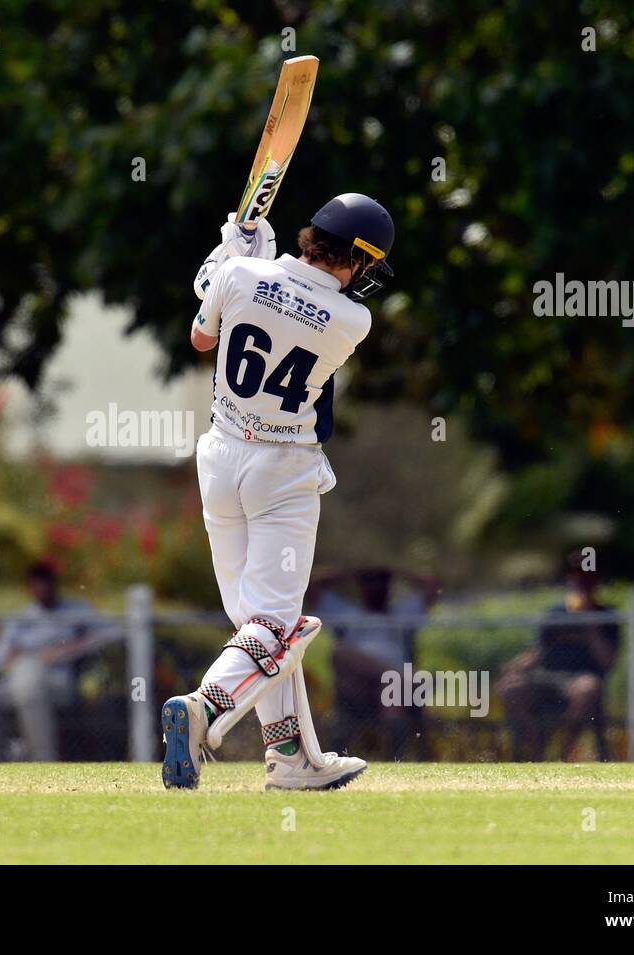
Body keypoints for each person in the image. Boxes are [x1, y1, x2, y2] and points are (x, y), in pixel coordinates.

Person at [161, 193, 396, 790]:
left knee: (257, 626)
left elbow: (200, 336)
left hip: (219, 459)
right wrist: (241, 263)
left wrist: (227, 255)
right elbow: (295, 308)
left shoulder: (241, 274)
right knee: (275, 624)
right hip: (283, 468)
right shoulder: (352, 321)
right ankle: (203, 709)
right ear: (358, 258)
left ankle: (290, 760)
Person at [0, 562, 97, 761]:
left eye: (46, 582)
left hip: (56, 681)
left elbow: (106, 635)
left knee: (29, 679)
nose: (43, 588)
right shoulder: (22, 618)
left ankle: (44, 763)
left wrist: (61, 651)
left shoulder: (77, 609)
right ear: (30, 587)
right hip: (14, 680)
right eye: (37, 583)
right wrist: (17, 657)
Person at [497, 553, 620, 761]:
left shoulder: (606, 614)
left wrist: (590, 623)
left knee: (588, 688)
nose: (583, 583)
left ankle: (562, 754)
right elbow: (538, 651)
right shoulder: (556, 612)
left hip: (579, 679)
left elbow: (607, 662)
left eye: (589, 577)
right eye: (578, 577)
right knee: (510, 688)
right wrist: (515, 666)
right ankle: (538, 751)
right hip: (547, 678)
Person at [322, 567, 438, 759]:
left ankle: (394, 760)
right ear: (361, 586)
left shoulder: (402, 614)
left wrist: (394, 569)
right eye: (370, 582)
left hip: (391, 688)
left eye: (381, 582)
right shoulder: (347, 614)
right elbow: (309, 587)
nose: (376, 587)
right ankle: (395, 674)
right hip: (357, 687)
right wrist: (353, 570)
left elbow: (434, 586)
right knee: (341, 651)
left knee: (391, 689)